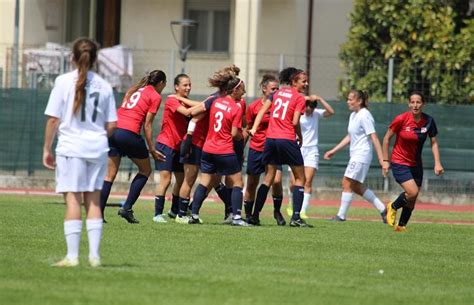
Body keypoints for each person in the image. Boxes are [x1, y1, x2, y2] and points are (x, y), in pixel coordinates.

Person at [43, 37, 117, 267]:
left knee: (73, 201)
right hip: (97, 148)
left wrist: (46, 148)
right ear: (95, 60)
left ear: (72, 58)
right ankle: (94, 257)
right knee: (93, 202)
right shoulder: (104, 85)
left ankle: (73, 257)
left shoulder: (63, 81)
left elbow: (54, 119)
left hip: (71, 148)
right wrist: (96, 135)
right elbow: (112, 124)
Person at [248, 67, 312, 228]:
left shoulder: (277, 93)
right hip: (286, 138)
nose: (306, 83)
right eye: (303, 81)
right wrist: (300, 136)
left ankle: (255, 216)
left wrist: (254, 128)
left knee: (268, 178)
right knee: (300, 178)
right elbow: (295, 121)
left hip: (270, 140)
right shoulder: (299, 98)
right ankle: (296, 218)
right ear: (294, 82)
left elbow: (263, 110)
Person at [100, 70, 167, 224]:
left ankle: (98, 214)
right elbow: (147, 126)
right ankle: (127, 207)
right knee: (145, 170)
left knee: (109, 175)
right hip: (128, 133)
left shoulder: (134, 90)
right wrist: (152, 149)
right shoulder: (155, 96)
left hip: (113, 130)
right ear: (161, 83)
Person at [186, 76, 249, 226]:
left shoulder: (216, 102)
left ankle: (194, 215)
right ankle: (237, 218)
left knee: (205, 182)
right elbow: (235, 134)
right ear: (234, 90)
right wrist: (245, 134)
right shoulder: (236, 107)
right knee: (238, 182)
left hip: (208, 149)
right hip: (224, 150)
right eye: (242, 89)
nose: (244, 92)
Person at [382, 91, 444, 232]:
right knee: (412, 192)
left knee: (412, 200)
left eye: (418, 102)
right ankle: (392, 206)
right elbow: (386, 139)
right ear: (409, 104)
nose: (415, 105)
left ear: (423, 104)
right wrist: (386, 160)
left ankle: (401, 227)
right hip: (399, 162)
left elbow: (433, 142)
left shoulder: (429, 121)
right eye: (413, 102)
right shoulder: (401, 119)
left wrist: (438, 162)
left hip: (416, 164)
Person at [323, 90, 387, 222]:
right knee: (356, 186)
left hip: (362, 154)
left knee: (346, 182)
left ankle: (341, 215)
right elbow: (350, 137)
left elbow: (374, 137)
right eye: (348, 99)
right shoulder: (353, 115)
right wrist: (333, 151)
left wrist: (382, 160)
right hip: (356, 155)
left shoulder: (365, 115)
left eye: (351, 99)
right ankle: (383, 209)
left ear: (359, 101)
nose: (348, 101)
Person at [244, 74, 286, 226]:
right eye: (273, 89)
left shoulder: (279, 106)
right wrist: (241, 149)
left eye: (278, 89)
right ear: (264, 88)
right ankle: (249, 215)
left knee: (276, 180)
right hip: (256, 148)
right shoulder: (254, 107)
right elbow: (248, 129)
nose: (276, 92)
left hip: (274, 148)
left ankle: (276, 211)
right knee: (251, 183)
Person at [153, 74, 195, 223]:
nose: (188, 87)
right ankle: (157, 214)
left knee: (181, 179)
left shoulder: (185, 102)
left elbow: (197, 107)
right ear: (176, 87)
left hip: (179, 147)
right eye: (185, 85)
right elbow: (187, 113)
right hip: (166, 145)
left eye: (189, 85)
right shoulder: (171, 100)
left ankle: (173, 210)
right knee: (166, 179)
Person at [288, 94, 335, 219]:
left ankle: (302, 210)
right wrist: (306, 98)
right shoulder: (298, 113)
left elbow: (331, 111)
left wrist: (319, 98)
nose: (310, 109)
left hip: (311, 150)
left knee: (307, 182)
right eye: (308, 106)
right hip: (297, 147)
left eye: (313, 106)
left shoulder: (316, 114)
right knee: (294, 183)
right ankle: (291, 204)